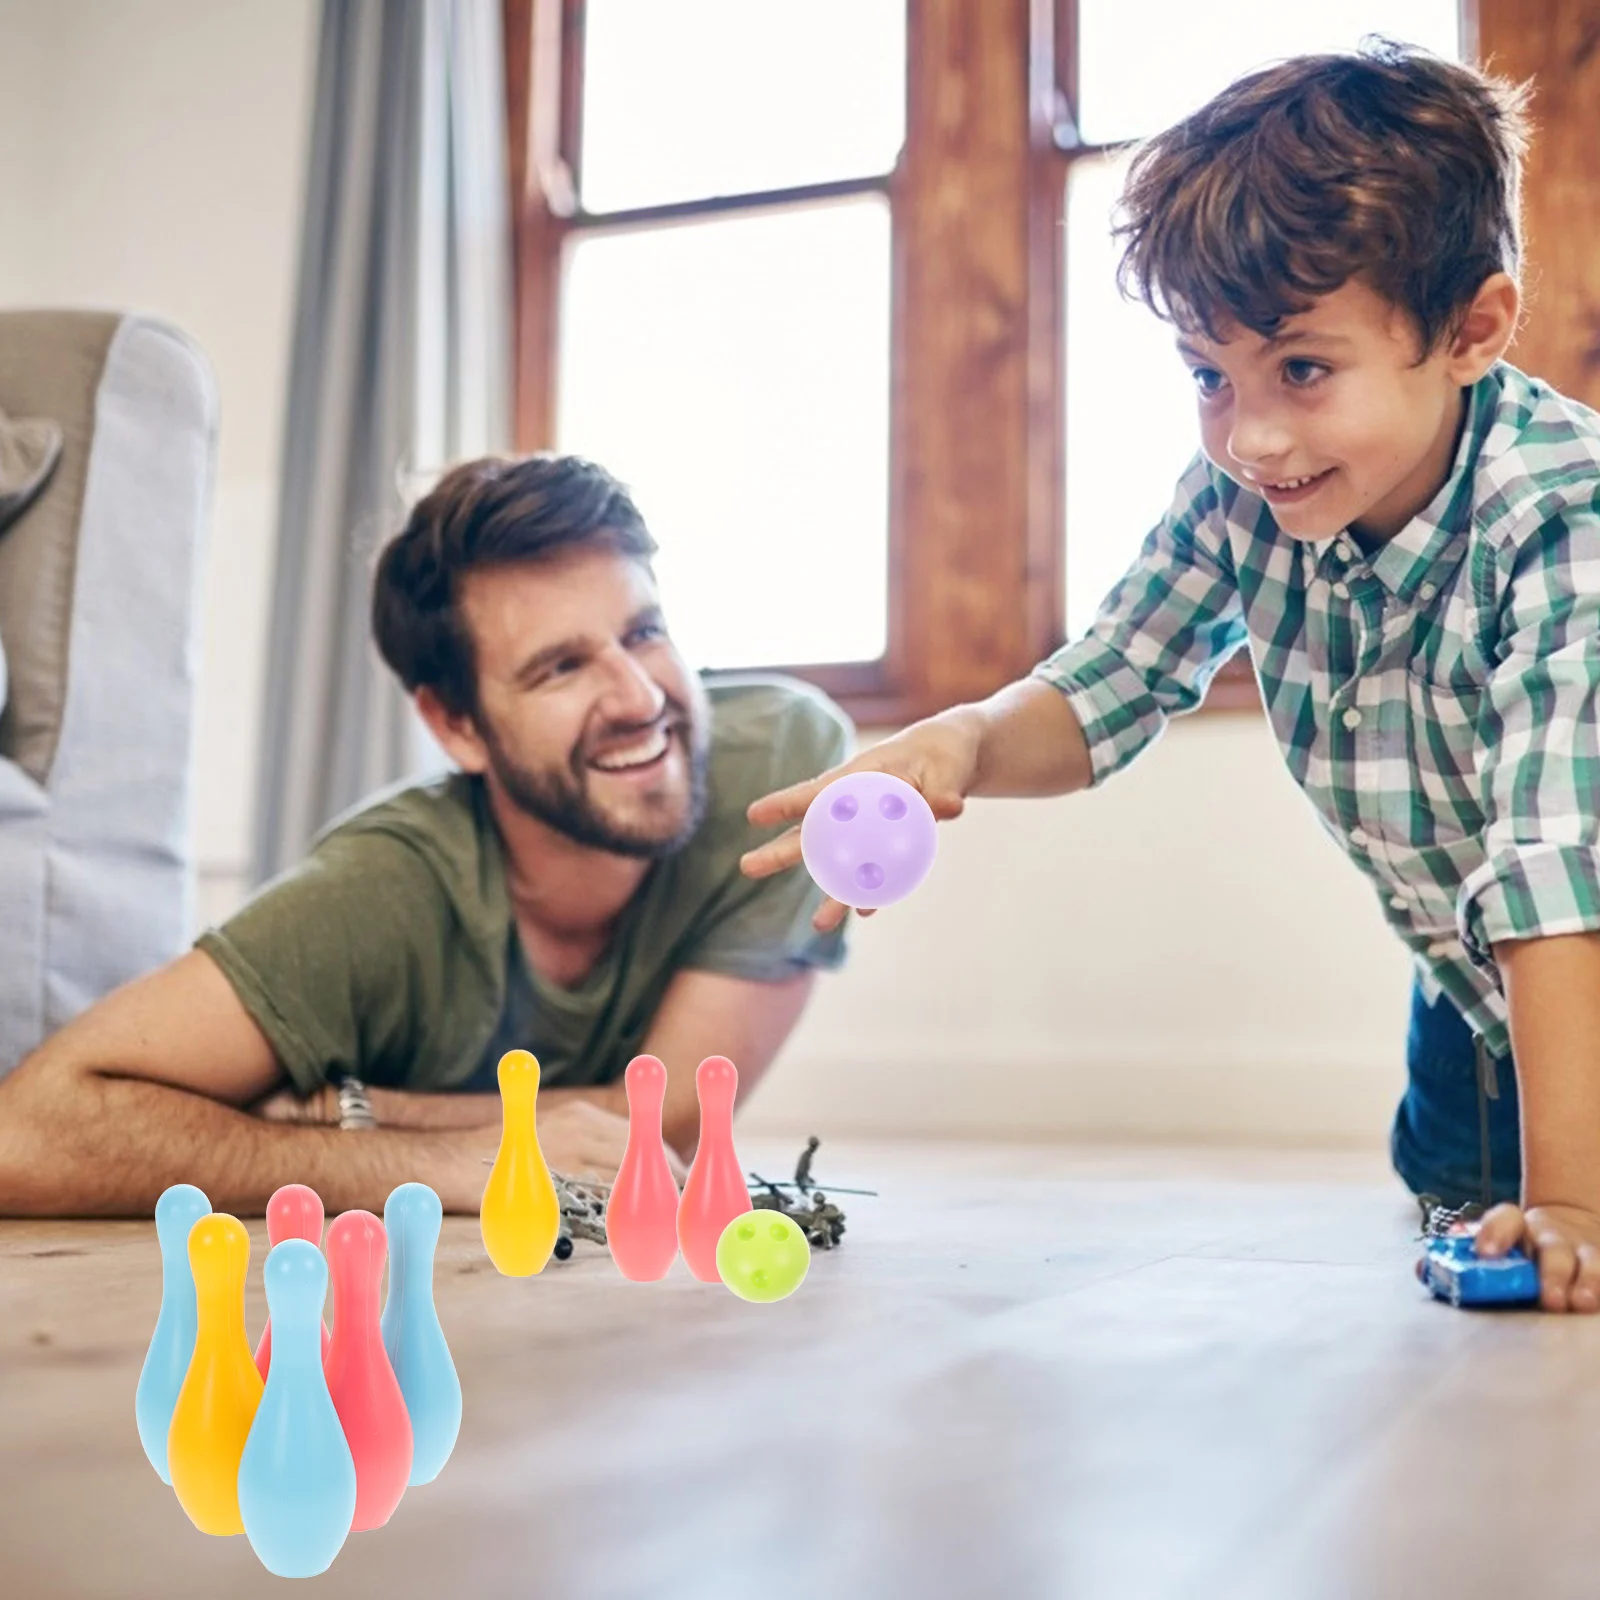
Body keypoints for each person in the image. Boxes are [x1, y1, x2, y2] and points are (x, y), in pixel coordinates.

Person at [743, 43, 1600, 1312]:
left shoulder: (1559, 513)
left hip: (1568, 942)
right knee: (1459, 1229)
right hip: (1479, 1003)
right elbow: (1112, 683)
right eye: (1210, 376)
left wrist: (1573, 1200)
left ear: (1470, 328)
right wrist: (965, 741)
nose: (1249, 435)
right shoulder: (1246, 497)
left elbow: (1553, 869)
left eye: (1302, 369)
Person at [0, 454, 849, 1216]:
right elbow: (27, 1135)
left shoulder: (780, 773)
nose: (638, 697)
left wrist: (352, 1111)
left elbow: (676, 1122)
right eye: (562, 666)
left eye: (644, 632)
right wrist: (439, 1163)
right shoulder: (378, 893)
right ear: (456, 725)